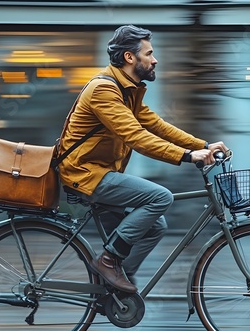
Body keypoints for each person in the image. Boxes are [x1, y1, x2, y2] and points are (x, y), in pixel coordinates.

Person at [57, 25, 229, 293]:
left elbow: (157, 126)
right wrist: (187, 156)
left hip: (101, 172)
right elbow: (136, 137)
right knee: (161, 197)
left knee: (155, 225)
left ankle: (116, 287)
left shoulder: (128, 90)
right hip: (84, 173)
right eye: (149, 53)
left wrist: (203, 145)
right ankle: (109, 261)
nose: (155, 59)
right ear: (129, 57)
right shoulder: (104, 90)